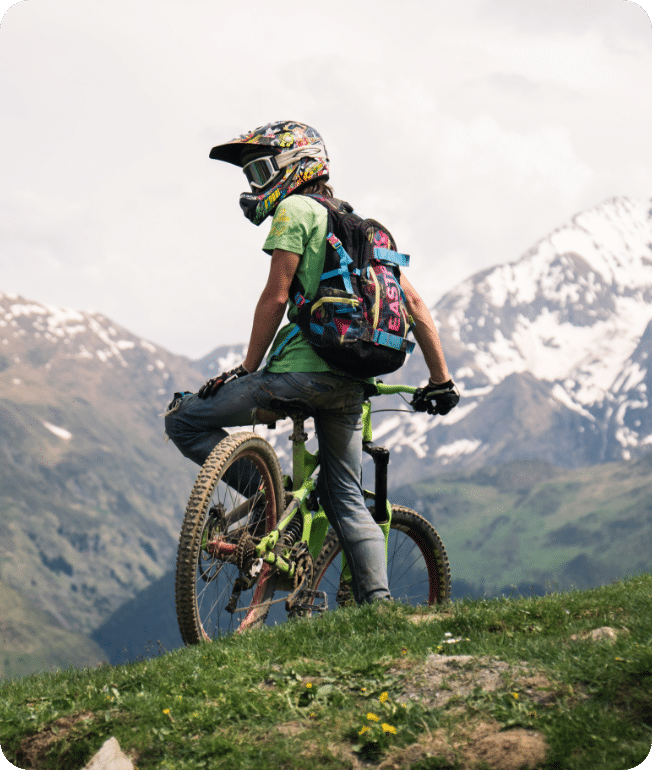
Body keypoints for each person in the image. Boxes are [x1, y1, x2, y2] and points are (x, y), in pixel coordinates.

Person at [164, 120, 459, 605]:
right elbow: (417, 306)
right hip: (351, 385)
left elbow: (277, 293)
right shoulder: (366, 230)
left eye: (261, 170)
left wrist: (248, 366)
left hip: (295, 376)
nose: (255, 184)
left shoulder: (295, 209)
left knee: (185, 422)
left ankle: (269, 499)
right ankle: (379, 606)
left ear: (294, 166)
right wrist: (440, 380)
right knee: (346, 497)